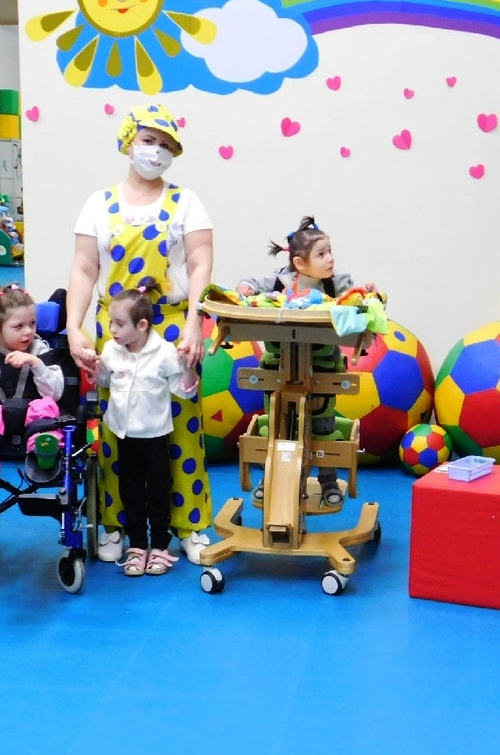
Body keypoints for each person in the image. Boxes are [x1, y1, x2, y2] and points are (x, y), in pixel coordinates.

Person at [67, 103, 214, 564]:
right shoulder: (99, 203)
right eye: (149, 140)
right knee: (116, 430)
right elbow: (84, 268)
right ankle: (117, 525)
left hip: (171, 327)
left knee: (182, 427)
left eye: (166, 144)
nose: (156, 151)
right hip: (116, 329)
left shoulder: (186, 202)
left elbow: (200, 263)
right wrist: (73, 327)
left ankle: (188, 524)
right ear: (129, 142)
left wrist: (195, 322)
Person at [236, 217, 377, 506]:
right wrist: (245, 287)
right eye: (321, 254)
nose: (330, 258)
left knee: (323, 425)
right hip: (279, 365)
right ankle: (269, 478)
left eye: (330, 251)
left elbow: (354, 299)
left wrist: (364, 293)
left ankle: (328, 481)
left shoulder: (337, 283)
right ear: (299, 263)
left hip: (321, 367)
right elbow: (253, 284)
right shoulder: (281, 280)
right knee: (277, 425)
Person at [96, 284, 200, 576]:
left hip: (155, 436)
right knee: (129, 491)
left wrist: (188, 366)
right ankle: (137, 545)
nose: (112, 330)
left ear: (141, 325)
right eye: (111, 323)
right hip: (124, 435)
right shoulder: (111, 350)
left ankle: (160, 546)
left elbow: (184, 391)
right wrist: (96, 368)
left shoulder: (164, 352)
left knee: (158, 492)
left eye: (119, 324)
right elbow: (104, 382)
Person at [0, 283, 66, 487]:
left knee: (46, 406)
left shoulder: (40, 350)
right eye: (19, 326)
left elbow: (55, 393)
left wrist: (37, 364)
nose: (28, 331)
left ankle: (44, 447)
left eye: (32, 324)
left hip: (34, 415)